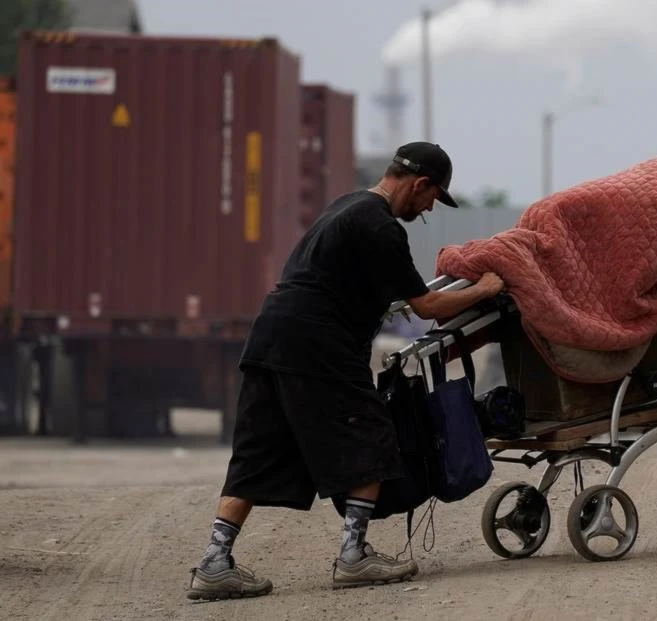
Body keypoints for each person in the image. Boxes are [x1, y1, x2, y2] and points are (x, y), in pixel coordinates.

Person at [186, 142, 506, 601]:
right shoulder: (380, 226)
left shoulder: (347, 207)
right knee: (374, 430)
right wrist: (485, 288)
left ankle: (215, 562)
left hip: (271, 334)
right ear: (420, 184)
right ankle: (354, 555)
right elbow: (427, 306)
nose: (431, 206)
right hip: (317, 342)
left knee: (259, 448)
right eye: (433, 197)